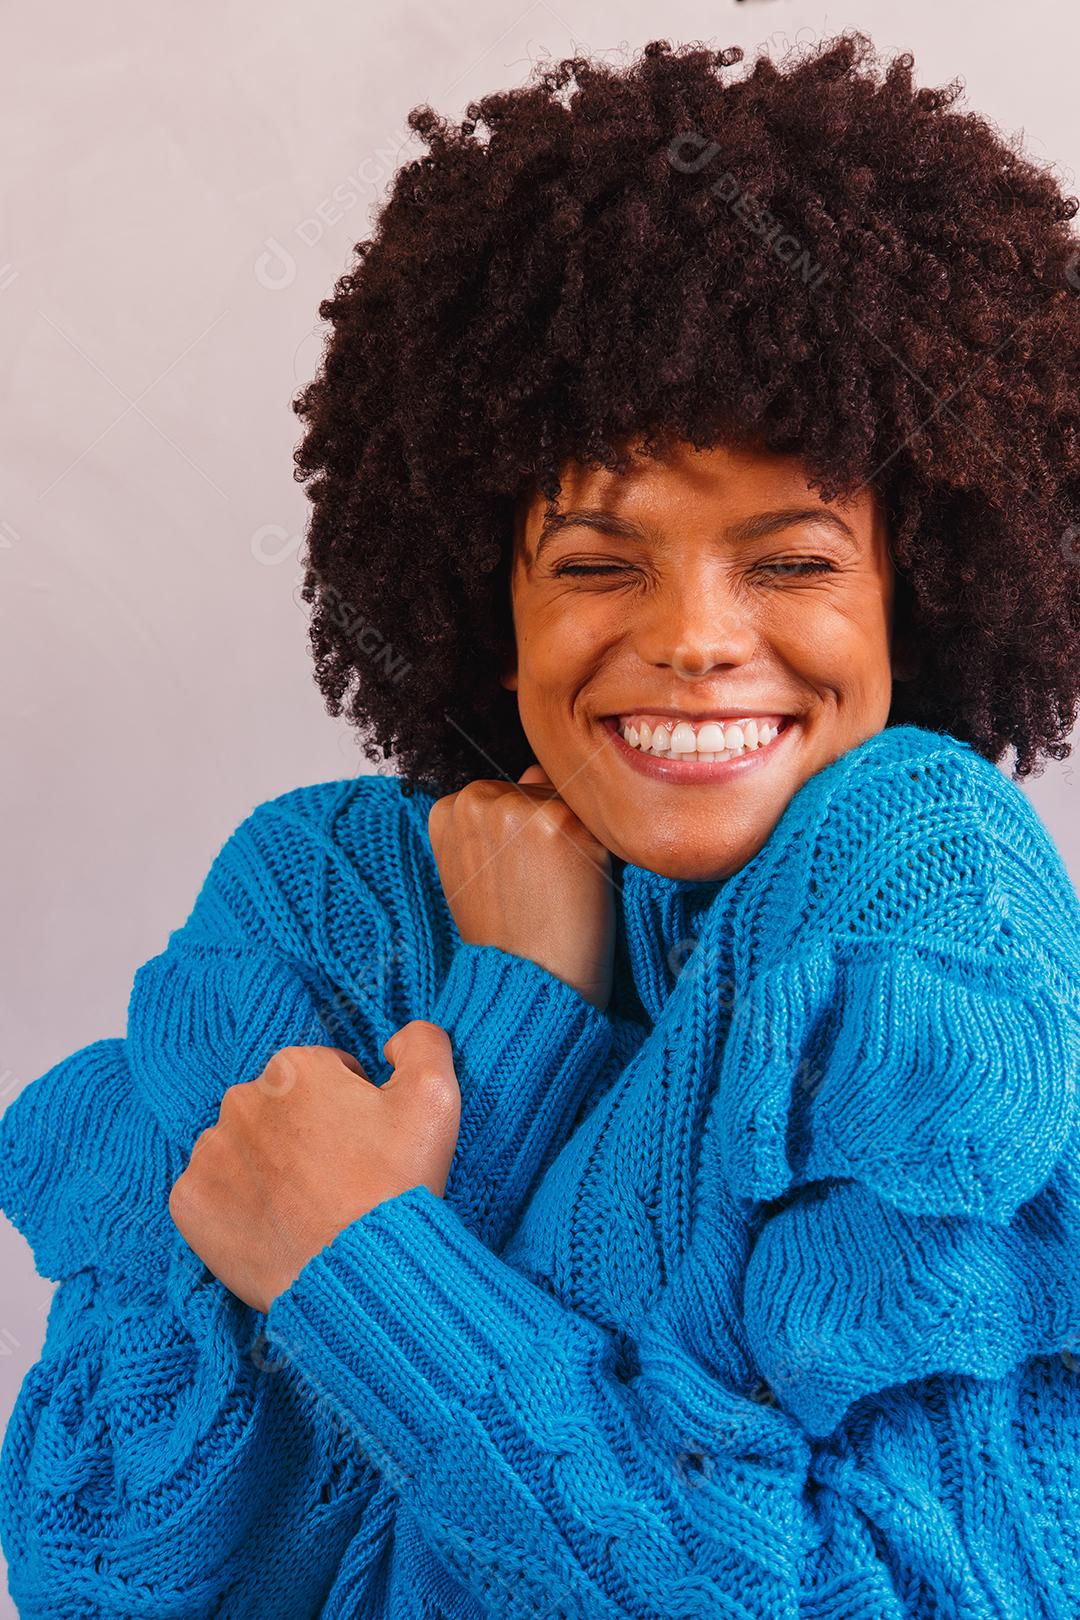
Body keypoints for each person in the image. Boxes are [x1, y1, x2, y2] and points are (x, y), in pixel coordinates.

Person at [3, 30, 1080, 1619]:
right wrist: (512, 1012)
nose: (696, 638)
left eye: (791, 562)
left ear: (912, 601)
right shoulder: (319, 901)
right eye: (595, 563)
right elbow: (109, 1566)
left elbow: (878, 1592)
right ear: (485, 605)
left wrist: (359, 1253)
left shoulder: (923, 893)